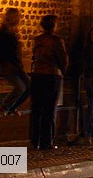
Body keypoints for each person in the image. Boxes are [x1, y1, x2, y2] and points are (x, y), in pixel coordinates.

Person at [30, 14, 68, 150]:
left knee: (37, 109)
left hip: (37, 75)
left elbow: (34, 56)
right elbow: (62, 59)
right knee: (50, 110)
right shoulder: (56, 41)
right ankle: (47, 141)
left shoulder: (37, 40)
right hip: (52, 75)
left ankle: (35, 139)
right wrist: (63, 71)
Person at [0, 8, 30, 115]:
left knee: (29, 86)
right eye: (18, 16)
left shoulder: (12, 31)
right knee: (21, 87)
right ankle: (5, 106)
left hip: (15, 64)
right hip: (8, 64)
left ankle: (12, 107)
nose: (19, 18)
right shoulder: (3, 32)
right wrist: (1, 64)